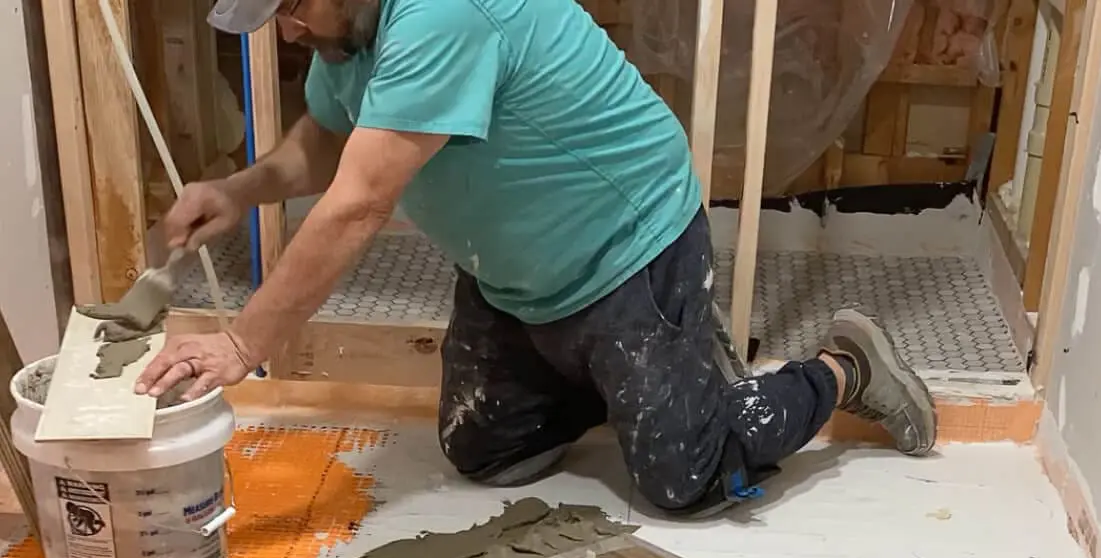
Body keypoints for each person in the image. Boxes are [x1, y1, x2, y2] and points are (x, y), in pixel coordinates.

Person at [139, 0, 937, 514]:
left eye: (292, 6)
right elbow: (331, 132)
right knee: (486, 451)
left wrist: (244, 343)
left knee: (686, 481)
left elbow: (357, 203)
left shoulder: (442, 15)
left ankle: (843, 369)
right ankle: (635, 381)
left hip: (629, 249)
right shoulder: (346, 27)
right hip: (517, 273)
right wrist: (243, 189)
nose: (291, 29)